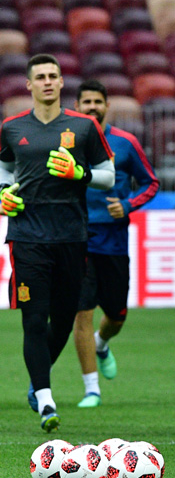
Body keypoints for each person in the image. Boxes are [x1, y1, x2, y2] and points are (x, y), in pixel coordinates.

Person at [0, 54, 115, 431]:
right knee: (33, 319)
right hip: (27, 235)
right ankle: (46, 399)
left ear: (62, 82)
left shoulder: (83, 127)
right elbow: (3, 168)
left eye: (53, 76)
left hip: (71, 235)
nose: (48, 82)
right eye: (40, 77)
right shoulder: (12, 128)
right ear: (29, 85)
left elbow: (108, 176)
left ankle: (39, 381)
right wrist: (3, 192)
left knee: (64, 320)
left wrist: (79, 173)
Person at [71, 80, 159, 408]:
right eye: (86, 102)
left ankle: (103, 343)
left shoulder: (126, 143)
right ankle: (91, 388)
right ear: (77, 107)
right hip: (77, 238)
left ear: (106, 105)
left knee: (117, 315)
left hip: (114, 241)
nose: (92, 107)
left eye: (97, 101)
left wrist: (129, 204)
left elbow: (151, 183)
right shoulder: (68, 142)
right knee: (82, 313)